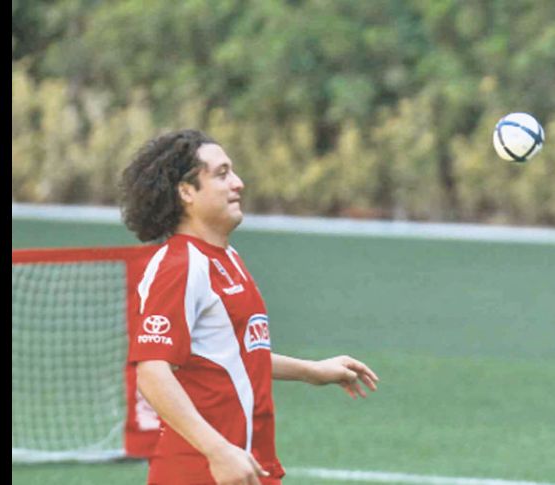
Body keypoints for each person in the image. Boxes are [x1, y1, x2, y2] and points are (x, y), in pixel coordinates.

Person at [119, 129, 379, 485]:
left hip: (247, 466)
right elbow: (152, 372)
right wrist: (217, 450)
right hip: (199, 472)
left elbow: (232, 356)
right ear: (186, 192)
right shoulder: (180, 265)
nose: (238, 183)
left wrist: (312, 371)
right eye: (222, 174)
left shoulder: (227, 258)